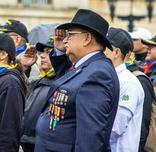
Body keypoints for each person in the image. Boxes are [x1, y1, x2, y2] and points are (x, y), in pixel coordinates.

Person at [35, 9, 119, 152]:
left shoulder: (97, 74)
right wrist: (61, 50)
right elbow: (64, 80)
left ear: (87, 38)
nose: (65, 39)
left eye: (70, 35)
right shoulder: (85, 67)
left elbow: (89, 139)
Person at [104, 27, 144, 152]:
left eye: (104, 48)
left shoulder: (128, 83)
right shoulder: (110, 77)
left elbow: (116, 128)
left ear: (116, 52)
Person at [21, 36, 56, 152]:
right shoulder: (37, 81)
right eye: (43, 52)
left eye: (49, 52)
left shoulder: (62, 83)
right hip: (24, 142)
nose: (42, 55)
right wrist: (25, 67)